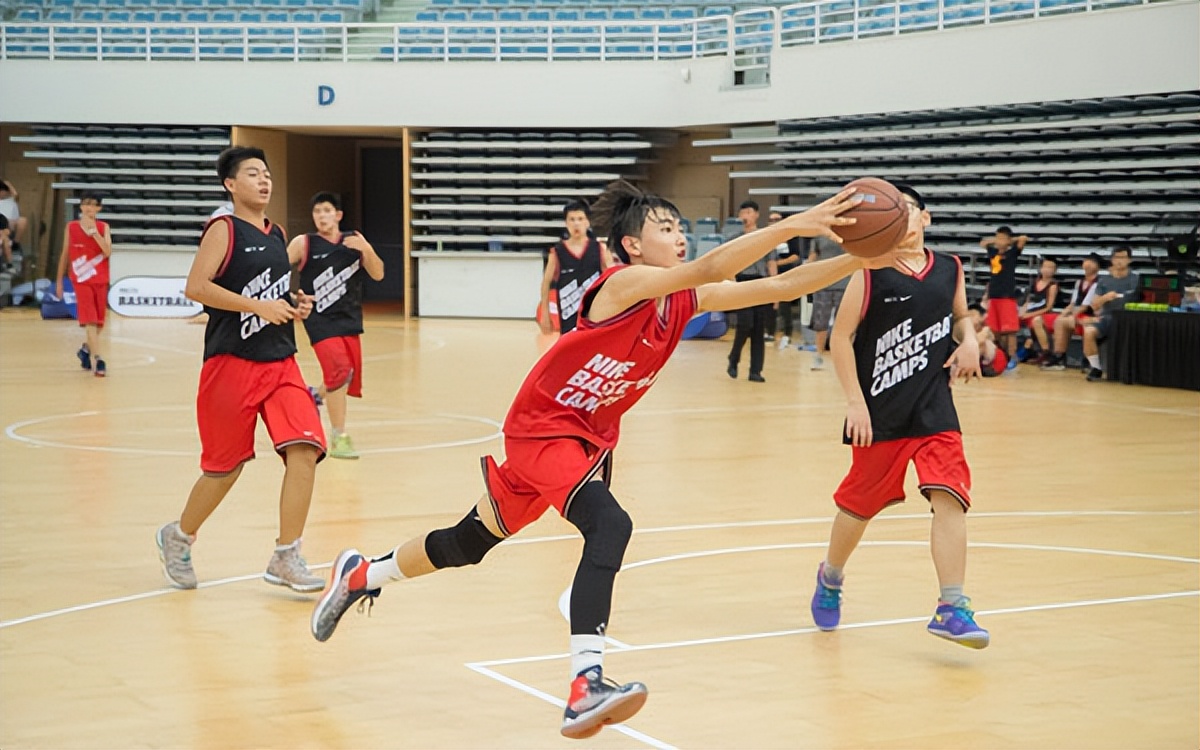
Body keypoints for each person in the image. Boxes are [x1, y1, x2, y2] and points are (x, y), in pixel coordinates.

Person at [310, 181, 899, 740]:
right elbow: (713, 267)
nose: (679, 235)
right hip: (543, 433)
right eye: (666, 227)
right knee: (610, 524)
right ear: (634, 246)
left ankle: (362, 574)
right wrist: (797, 222)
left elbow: (777, 288)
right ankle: (584, 684)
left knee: (469, 544)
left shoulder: (681, 300)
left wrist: (861, 256)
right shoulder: (619, 285)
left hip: (583, 442)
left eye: (678, 227)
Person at [810, 183, 990, 650]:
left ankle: (952, 605)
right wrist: (854, 402)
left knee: (950, 497)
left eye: (909, 210)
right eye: (898, 211)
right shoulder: (869, 270)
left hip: (934, 409)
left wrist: (969, 338)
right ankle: (831, 576)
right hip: (879, 411)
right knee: (857, 508)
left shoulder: (950, 268)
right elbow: (843, 337)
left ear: (925, 218)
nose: (904, 218)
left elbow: (960, 316)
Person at [155, 146, 328, 594]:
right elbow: (197, 287)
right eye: (253, 174)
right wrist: (257, 306)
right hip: (230, 363)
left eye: (267, 173)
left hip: (281, 362)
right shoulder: (223, 229)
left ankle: (287, 555)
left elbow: (274, 295)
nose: (264, 180)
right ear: (231, 185)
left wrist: (295, 304)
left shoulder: (276, 235)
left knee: (306, 449)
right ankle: (179, 535)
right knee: (224, 468)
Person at [290, 191, 385, 459]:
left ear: (338, 215)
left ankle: (315, 395)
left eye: (327, 211)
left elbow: (378, 274)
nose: (322, 216)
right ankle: (339, 436)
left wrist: (366, 249)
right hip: (319, 318)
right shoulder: (304, 243)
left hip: (349, 318)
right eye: (317, 212)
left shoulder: (354, 241)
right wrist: (291, 298)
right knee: (339, 371)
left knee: (347, 374)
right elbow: (276, 268)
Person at [55, 192, 113, 377]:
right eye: (86, 204)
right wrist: (59, 282)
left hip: (100, 278)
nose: (89, 208)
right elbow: (65, 254)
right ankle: (98, 358)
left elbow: (107, 251)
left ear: (99, 208)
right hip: (81, 279)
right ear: (80, 206)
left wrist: (93, 232)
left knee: (100, 323)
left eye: (93, 205)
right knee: (90, 320)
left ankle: (86, 350)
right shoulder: (71, 227)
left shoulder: (103, 227)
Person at [539, 200, 615, 338]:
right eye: (572, 219)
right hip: (569, 313)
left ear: (587, 222)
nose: (576, 224)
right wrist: (545, 313)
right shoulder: (557, 252)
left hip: (594, 312)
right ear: (566, 223)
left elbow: (612, 280)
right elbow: (546, 283)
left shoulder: (600, 248)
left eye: (580, 219)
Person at [726, 199, 778, 382]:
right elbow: (727, 263)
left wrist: (775, 290)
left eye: (749, 212)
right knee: (745, 323)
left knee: (758, 329)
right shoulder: (733, 238)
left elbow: (771, 263)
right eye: (743, 213)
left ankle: (755, 370)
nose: (745, 216)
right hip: (742, 281)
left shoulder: (766, 236)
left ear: (756, 214)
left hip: (761, 283)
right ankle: (734, 358)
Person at [1081, 246, 1139, 382]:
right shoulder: (1104, 280)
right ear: (1112, 260)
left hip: (1128, 319)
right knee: (1089, 331)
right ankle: (1096, 368)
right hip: (1107, 317)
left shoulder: (1136, 279)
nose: (1119, 261)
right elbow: (1094, 304)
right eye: (1116, 258)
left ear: (1129, 260)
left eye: (1123, 258)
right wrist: (1105, 298)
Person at [1040, 253, 1103, 371]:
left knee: (1071, 321)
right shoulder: (1079, 282)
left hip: (1091, 314)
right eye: (1086, 261)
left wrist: (1073, 316)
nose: (1088, 264)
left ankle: (1088, 361)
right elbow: (1073, 303)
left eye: (1092, 262)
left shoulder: (1098, 283)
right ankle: (1059, 357)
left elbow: (1086, 305)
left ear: (1098, 267)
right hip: (1079, 312)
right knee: (1060, 321)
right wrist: (1063, 313)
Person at [979, 226, 1029, 371]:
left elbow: (1023, 239)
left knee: (1010, 330)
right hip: (994, 295)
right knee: (995, 329)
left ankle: (1013, 357)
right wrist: (997, 240)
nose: (999, 241)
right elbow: (982, 243)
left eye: (1002, 238)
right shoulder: (992, 251)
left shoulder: (1012, 253)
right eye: (997, 237)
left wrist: (1008, 241)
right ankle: (1000, 355)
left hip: (1007, 295)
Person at [805, 235, 849, 370]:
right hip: (823, 284)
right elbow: (812, 257)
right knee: (820, 323)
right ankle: (818, 356)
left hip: (844, 284)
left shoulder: (849, 234)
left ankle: (844, 359)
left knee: (844, 326)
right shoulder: (819, 236)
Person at [768, 210, 802, 350]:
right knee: (769, 306)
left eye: (777, 219)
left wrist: (779, 263)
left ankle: (787, 334)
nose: (774, 222)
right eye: (772, 220)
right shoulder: (766, 237)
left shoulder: (791, 236)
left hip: (786, 275)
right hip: (769, 275)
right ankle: (769, 333)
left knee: (784, 306)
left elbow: (796, 256)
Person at [1019, 257, 1061, 362]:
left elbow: (1048, 307)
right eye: (1046, 267)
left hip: (1043, 313)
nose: (1048, 270)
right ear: (1041, 268)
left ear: (1055, 271)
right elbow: (1028, 300)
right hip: (1030, 311)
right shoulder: (1034, 282)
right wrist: (1023, 311)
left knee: (1036, 321)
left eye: (1051, 268)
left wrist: (1030, 315)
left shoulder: (1053, 286)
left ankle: (1045, 351)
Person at [968, 303, 1008, 377]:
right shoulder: (966, 328)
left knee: (981, 343)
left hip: (993, 363)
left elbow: (980, 341)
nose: (971, 318)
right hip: (980, 363)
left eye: (973, 315)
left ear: (982, 317)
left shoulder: (986, 329)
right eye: (969, 315)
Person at [0, 178, 29, 258]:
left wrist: (9, 185)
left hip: (10, 226)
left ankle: (15, 244)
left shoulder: (12, 200)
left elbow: (16, 194)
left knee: (23, 220)